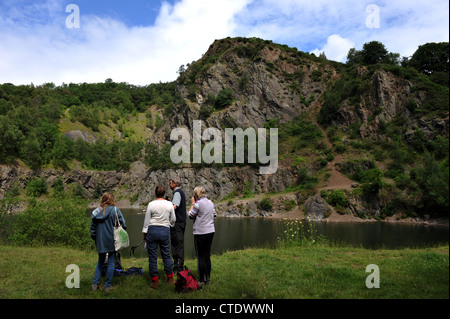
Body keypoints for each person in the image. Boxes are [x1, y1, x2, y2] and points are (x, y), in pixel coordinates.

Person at [90, 192, 127, 293]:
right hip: (112, 239)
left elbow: (92, 229)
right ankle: (107, 286)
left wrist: (95, 238)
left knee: (100, 261)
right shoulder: (115, 210)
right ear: (112, 200)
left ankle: (95, 284)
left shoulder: (96, 212)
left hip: (100, 240)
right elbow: (123, 223)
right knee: (111, 261)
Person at [142, 185, 176, 288]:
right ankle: (170, 279)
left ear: (155, 193)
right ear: (164, 193)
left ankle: (155, 281)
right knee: (166, 255)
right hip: (164, 230)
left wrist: (144, 234)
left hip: (152, 230)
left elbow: (147, 221)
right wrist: (168, 224)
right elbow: (173, 219)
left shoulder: (151, 204)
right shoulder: (169, 204)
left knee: (152, 257)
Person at [188, 186, 216, 287]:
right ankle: (208, 279)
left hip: (200, 232)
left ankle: (201, 280)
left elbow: (191, 215)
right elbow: (214, 215)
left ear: (196, 194)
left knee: (200, 256)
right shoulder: (211, 203)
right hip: (210, 231)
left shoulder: (198, 204)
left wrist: (192, 203)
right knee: (207, 256)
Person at [169, 177, 187, 273]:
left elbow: (174, 207)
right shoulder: (180, 192)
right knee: (178, 243)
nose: (169, 184)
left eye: (171, 183)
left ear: (175, 184)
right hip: (181, 222)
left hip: (177, 223)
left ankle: (178, 267)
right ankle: (178, 265)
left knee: (177, 244)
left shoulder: (177, 193)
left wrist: (166, 209)